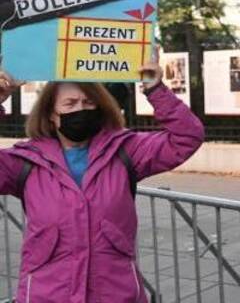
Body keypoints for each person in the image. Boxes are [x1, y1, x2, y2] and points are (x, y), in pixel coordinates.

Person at [0, 54, 204, 303]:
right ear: (51, 115)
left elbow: (186, 137)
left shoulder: (125, 150)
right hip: (47, 295)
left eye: (88, 102)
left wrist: (154, 88)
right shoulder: (25, 162)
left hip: (115, 294)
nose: (80, 109)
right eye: (70, 103)